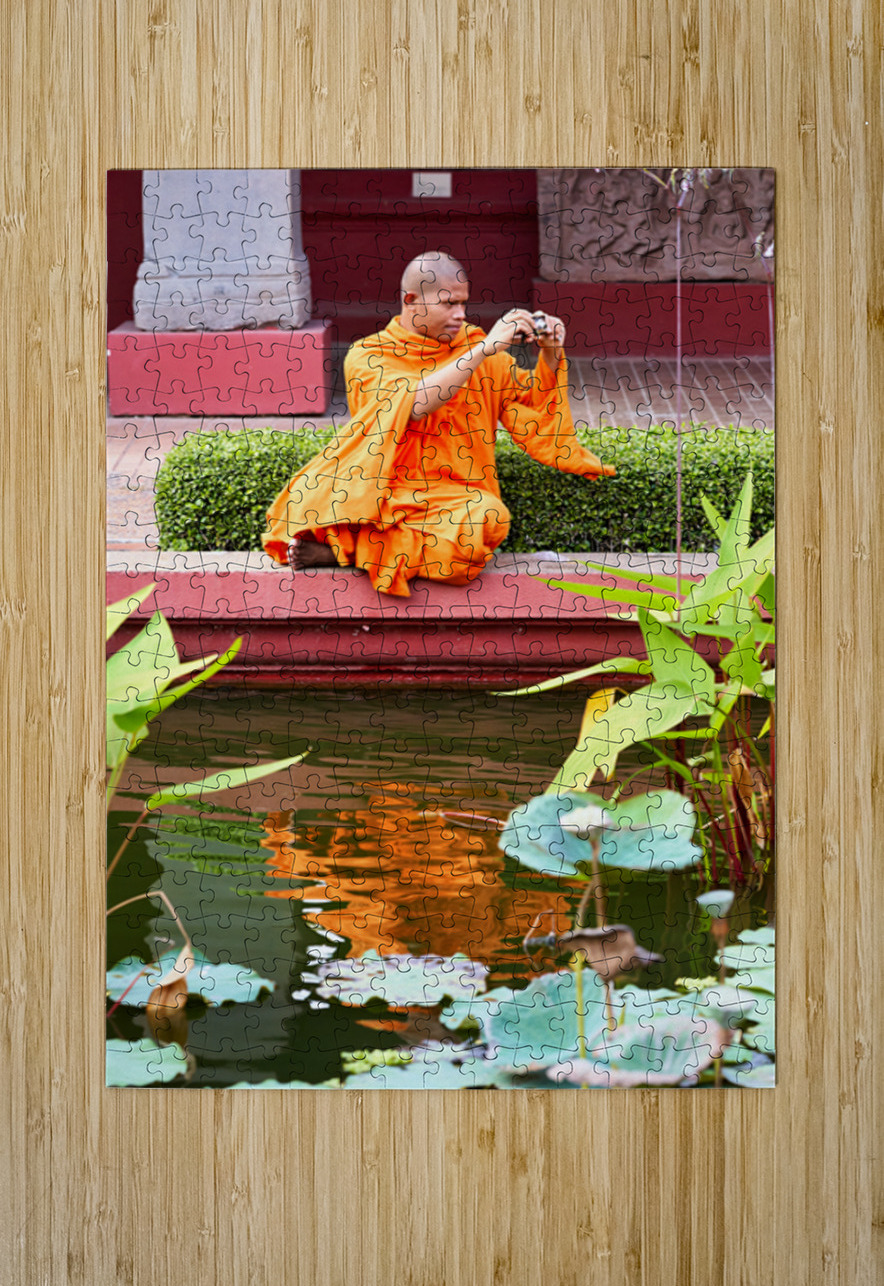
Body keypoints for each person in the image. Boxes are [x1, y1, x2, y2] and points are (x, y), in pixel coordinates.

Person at [262, 252, 615, 597]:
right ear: (412, 301)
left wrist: (551, 351)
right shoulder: (368, 355)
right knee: (333, 508)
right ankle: (363, 549)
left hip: (455, 498)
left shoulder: (477, 349)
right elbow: (413, 402)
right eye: (448, 304)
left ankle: (352, 554)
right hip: (388, 492)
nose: (460, 315)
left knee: (489, 518)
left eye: (463, 303)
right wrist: (484, 350)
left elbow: (533, 408)